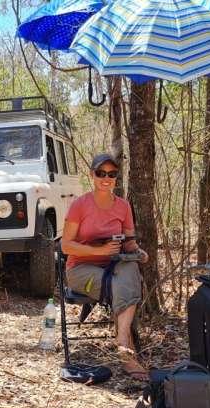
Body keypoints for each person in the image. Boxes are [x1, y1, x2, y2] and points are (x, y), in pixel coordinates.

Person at [61, 153, 150, 380]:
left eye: (111, 174)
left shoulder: (123, 206)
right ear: (92, 175)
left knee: (131, 270)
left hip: (115, 263)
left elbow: (129, 242)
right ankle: (126, 355)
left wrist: (138, 252)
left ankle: (121, 339)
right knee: (123, 285)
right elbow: (66, 246)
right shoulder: (79, 205)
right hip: (80, 269)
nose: (106, 178)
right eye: (101, 173)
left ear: (116, 178)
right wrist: (98, 251)